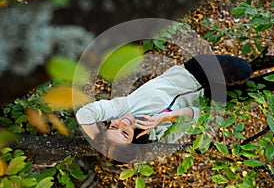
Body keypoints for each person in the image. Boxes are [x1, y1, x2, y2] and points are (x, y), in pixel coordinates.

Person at [75, 54, 252, 145]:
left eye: (113, 126)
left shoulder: (122, 108)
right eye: (125, 133)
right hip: (205, 98)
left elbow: (84, 114)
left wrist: (101, 140)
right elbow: (195, 115)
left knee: (242, 70)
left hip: (192, 72)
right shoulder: (161, 137)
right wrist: (165, 117)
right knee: (253, 89)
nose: (123, 123)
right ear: (136, 140)